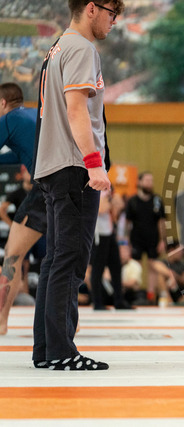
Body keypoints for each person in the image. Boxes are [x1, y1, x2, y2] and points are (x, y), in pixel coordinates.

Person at [31, 0, 124, 371]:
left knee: (56, 259)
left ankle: (46, 349)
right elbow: (76, 110)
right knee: (69, 260)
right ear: (91, 8)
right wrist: (93, 163)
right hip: (73, 166)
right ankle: (61, 351)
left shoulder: (57, 47)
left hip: (53, 164)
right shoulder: (82, 48)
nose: (114, 21)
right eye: (112, 13)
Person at [0, 83, 46, 336]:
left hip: (44, 189)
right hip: (67, 188)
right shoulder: (32, 115)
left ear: (3, 103)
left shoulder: (9, 119)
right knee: (58, 258)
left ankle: (1, 321)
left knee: (12, 255)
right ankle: (69, 322)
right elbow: (19, 154)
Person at [126, 171, 166, 304]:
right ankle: (137, 295)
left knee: (152, 266)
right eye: (147, 180)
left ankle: (150, 296)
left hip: (153, 239)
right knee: (136, 266)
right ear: (140, 182)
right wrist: (126, 241)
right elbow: (127, 223)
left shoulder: (157, 200)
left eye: (151, 181)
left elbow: (161, 222)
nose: (149, 183)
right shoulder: (132, 201)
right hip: (136, 238)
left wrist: (162, 240)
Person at [89, 187, 131, 310]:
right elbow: (101, 209)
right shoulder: (95, 190)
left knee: (116, 267)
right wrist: (111, 201)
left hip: (109, 232)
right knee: (98, 269)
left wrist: (113, 201)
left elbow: (119, 207)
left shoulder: (107, 193)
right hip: (99, 234)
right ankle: (97, 302)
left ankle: (119, 300)